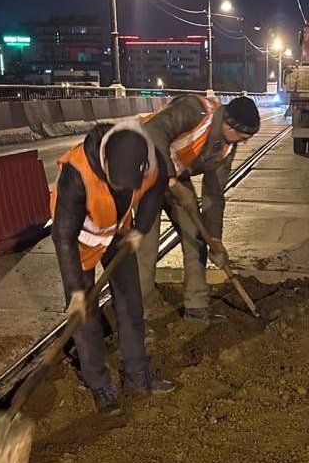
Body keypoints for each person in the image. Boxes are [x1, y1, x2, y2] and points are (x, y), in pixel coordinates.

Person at [51, 119, 174, 416]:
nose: (121, 189)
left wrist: (140, 229)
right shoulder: (76, 172)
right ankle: (99, 385)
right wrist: (77, 292)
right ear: (105, 163)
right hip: (79, 244)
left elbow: (157, 189)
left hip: (118, 234)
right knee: (85, 318)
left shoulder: (149, 159)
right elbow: (63, 236)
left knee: (131, 304)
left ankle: (137, 373)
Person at [138, 95, 260, 322]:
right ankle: (140, 314)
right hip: (146, 174)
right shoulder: (195, 110)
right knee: (147, 247)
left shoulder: (225, 148)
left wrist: (215, 238)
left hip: (176, 178)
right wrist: (171, 180)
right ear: (228, 124)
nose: (243, 142)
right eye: (242, 136)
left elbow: (214, 193)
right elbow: (153, 130)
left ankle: (196, 306)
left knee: (197, 239)